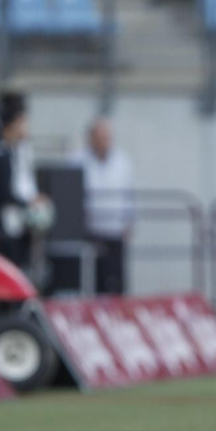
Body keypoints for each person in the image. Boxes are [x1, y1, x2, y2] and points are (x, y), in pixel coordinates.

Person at [0, 92, 49, 270]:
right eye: (23, 122)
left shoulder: (8, 152)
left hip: (2, 227)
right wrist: (30, 203)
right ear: (13, 124)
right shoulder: (0, 155)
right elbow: (4, 195)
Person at [75, 117, 136, 296]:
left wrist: (130, 221)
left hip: (115, 229)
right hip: (91, 230)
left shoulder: (123, 161)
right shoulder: (78, 160)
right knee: (94, 279)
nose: (105, 142)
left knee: (116, 278)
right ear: (91, 138)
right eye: (100, 137)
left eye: (107, 137)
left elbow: (130, 194)